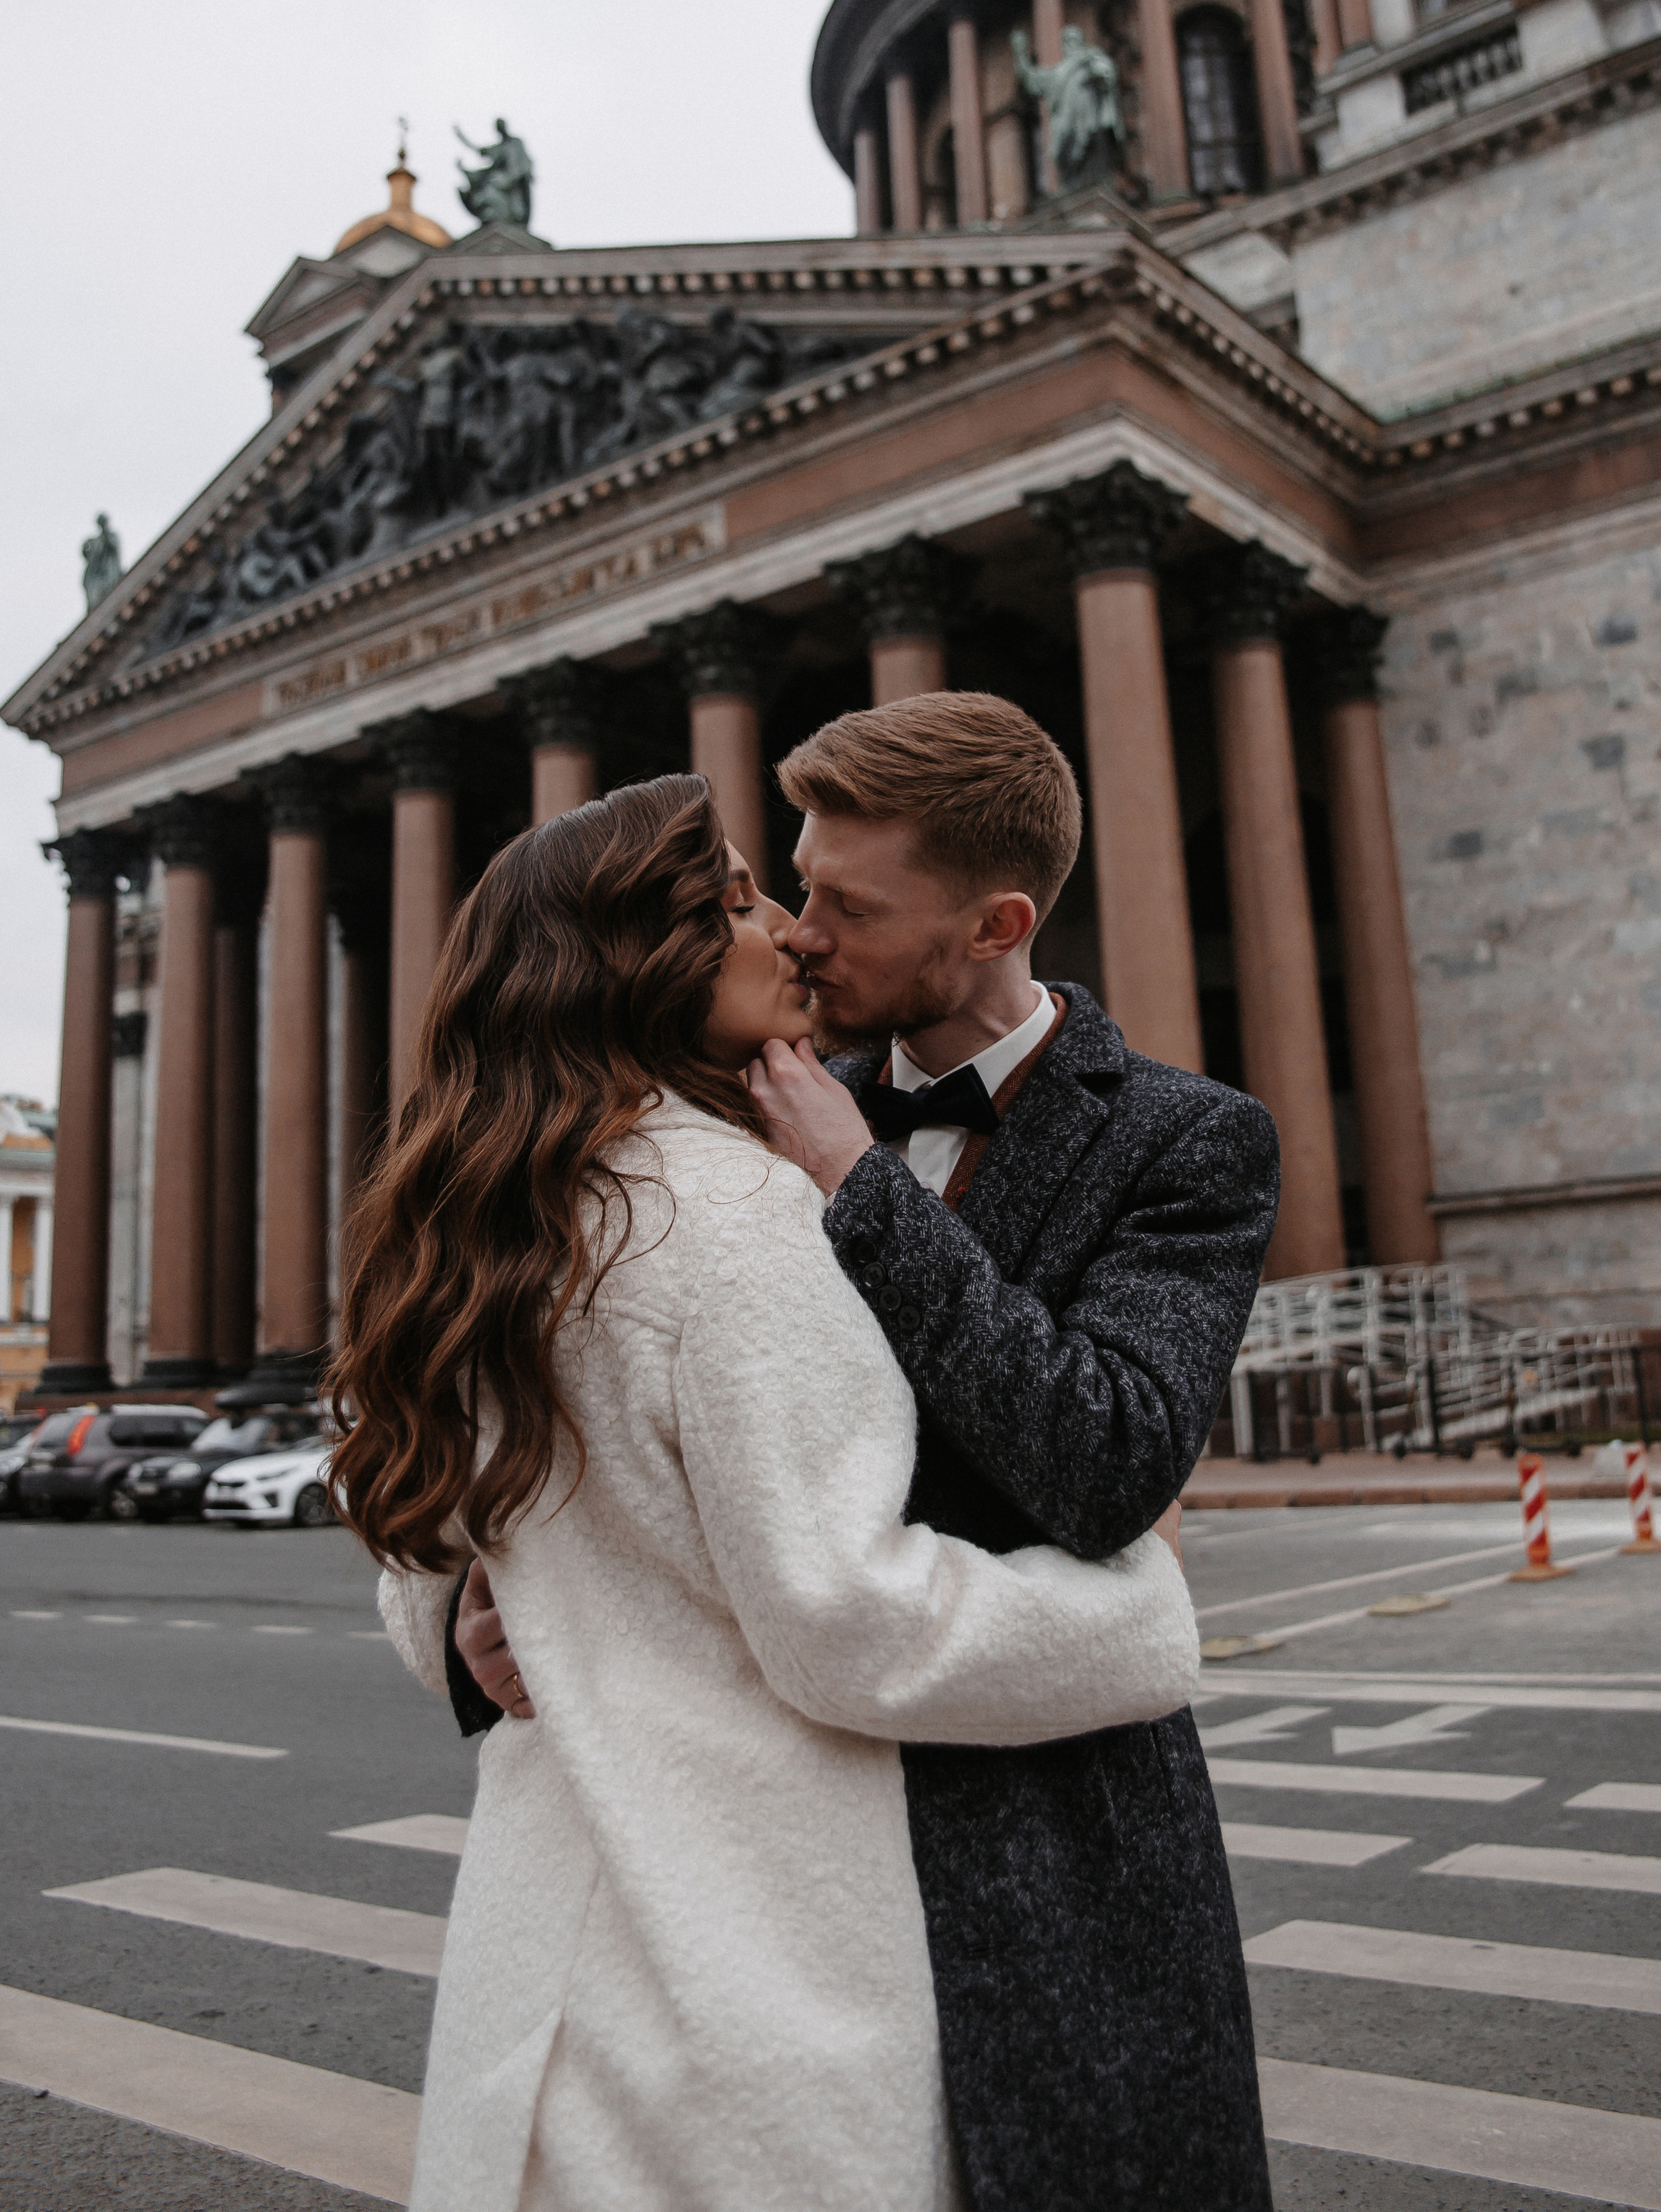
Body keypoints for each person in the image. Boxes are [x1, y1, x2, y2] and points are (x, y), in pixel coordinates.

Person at [455, 693, 1282, 2211]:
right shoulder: (739, 1105)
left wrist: (865, 1193)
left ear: (993, 924)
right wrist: (502, 1594)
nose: (800, 930)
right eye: (793, 886)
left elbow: (1110, 1462)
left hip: (1052, 1840)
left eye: (850, 906)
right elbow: (561, 1387)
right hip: (772, 1861)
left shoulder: (1183, 1139)